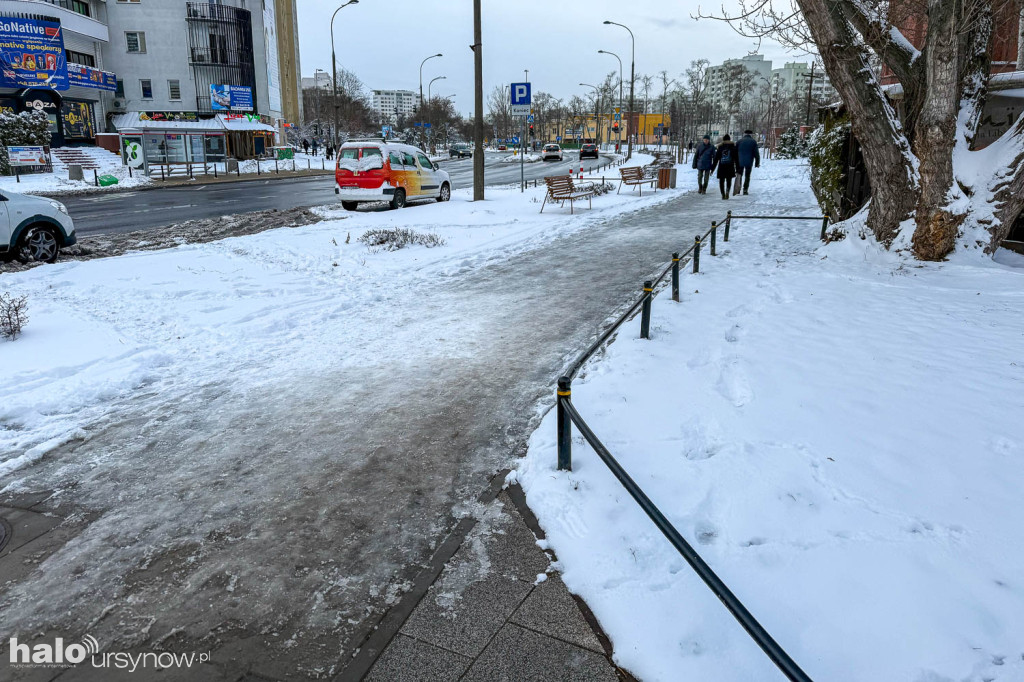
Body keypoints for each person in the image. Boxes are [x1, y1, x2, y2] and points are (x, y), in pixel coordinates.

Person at [712, 134, 740, 200]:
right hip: (730, 166)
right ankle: (727, 191)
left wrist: (712, 169)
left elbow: (716, 159)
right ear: (730, 139)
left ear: (723, 140)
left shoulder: (720, 147)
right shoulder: (733, 147)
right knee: (729, 180)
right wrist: (738, 168)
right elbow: (736, 159)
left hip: (722, 167)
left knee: (721, 181)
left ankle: (723, 194)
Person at [735, 130, 761, 195]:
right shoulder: (753, 142)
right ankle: (745, 190)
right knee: (747, 175)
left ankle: (738, 189)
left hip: (739, 161)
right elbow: (756, 153)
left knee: (739, 175)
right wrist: (757, 162)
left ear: (744, 134)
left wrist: (734, 161)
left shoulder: (739, 141)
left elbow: (734, 152)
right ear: (751, 134)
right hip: (749, 161)